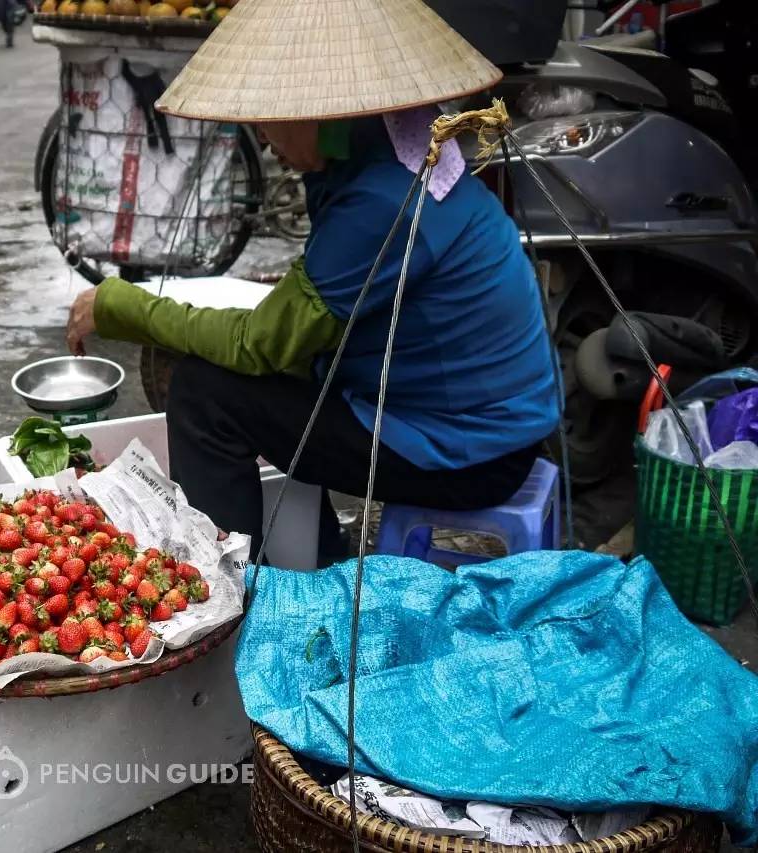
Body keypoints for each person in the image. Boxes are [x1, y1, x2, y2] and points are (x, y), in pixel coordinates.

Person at [64, 0, 561, 564]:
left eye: (269, 116)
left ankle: (225, 600)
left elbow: (259, 345)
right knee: (277, 378)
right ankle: (315, 558)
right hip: (478, 424)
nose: (263, 137)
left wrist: (119, 306)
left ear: (316, 111)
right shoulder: (393, 140)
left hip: (469, 454)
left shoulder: (380, 197)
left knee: (207, 394)